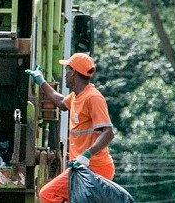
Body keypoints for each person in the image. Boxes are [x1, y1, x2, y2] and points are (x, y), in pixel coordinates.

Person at [25, 52, 115, 203]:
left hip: (94, 168)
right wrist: (41, 81)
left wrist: (86, 155)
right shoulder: (76, 96)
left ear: (74, 72)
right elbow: (60, 102)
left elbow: (108, 133)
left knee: (47, 194)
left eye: (67, 69)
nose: (65, 74)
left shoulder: (93, 97)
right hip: (85, 168)